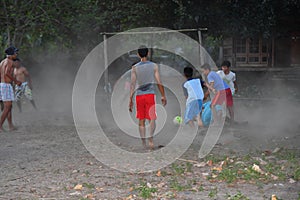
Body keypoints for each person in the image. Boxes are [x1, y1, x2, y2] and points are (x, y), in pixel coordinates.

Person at [129, 46, 167, 150]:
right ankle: (151, 140)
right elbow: (159, 82)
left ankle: (143, 142)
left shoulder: (135, 67)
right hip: (150, 94)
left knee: (141, 119)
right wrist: (163, 95)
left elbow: (132, 84)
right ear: (148, 53)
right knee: (152, 118)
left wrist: (130, 99)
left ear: (138, 54)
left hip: (139, 95)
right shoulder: (154, 66)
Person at [0, 47, 21, 132]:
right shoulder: (9, 62)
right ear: (11, 54)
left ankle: (10, 126)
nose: (16, 55)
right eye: (15, 53)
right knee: (8, 107)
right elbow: (6, 73)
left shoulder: (2, 62)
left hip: (2, 85)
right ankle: (0, 125)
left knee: (9, 106)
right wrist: (16, 81)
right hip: (6, 85)